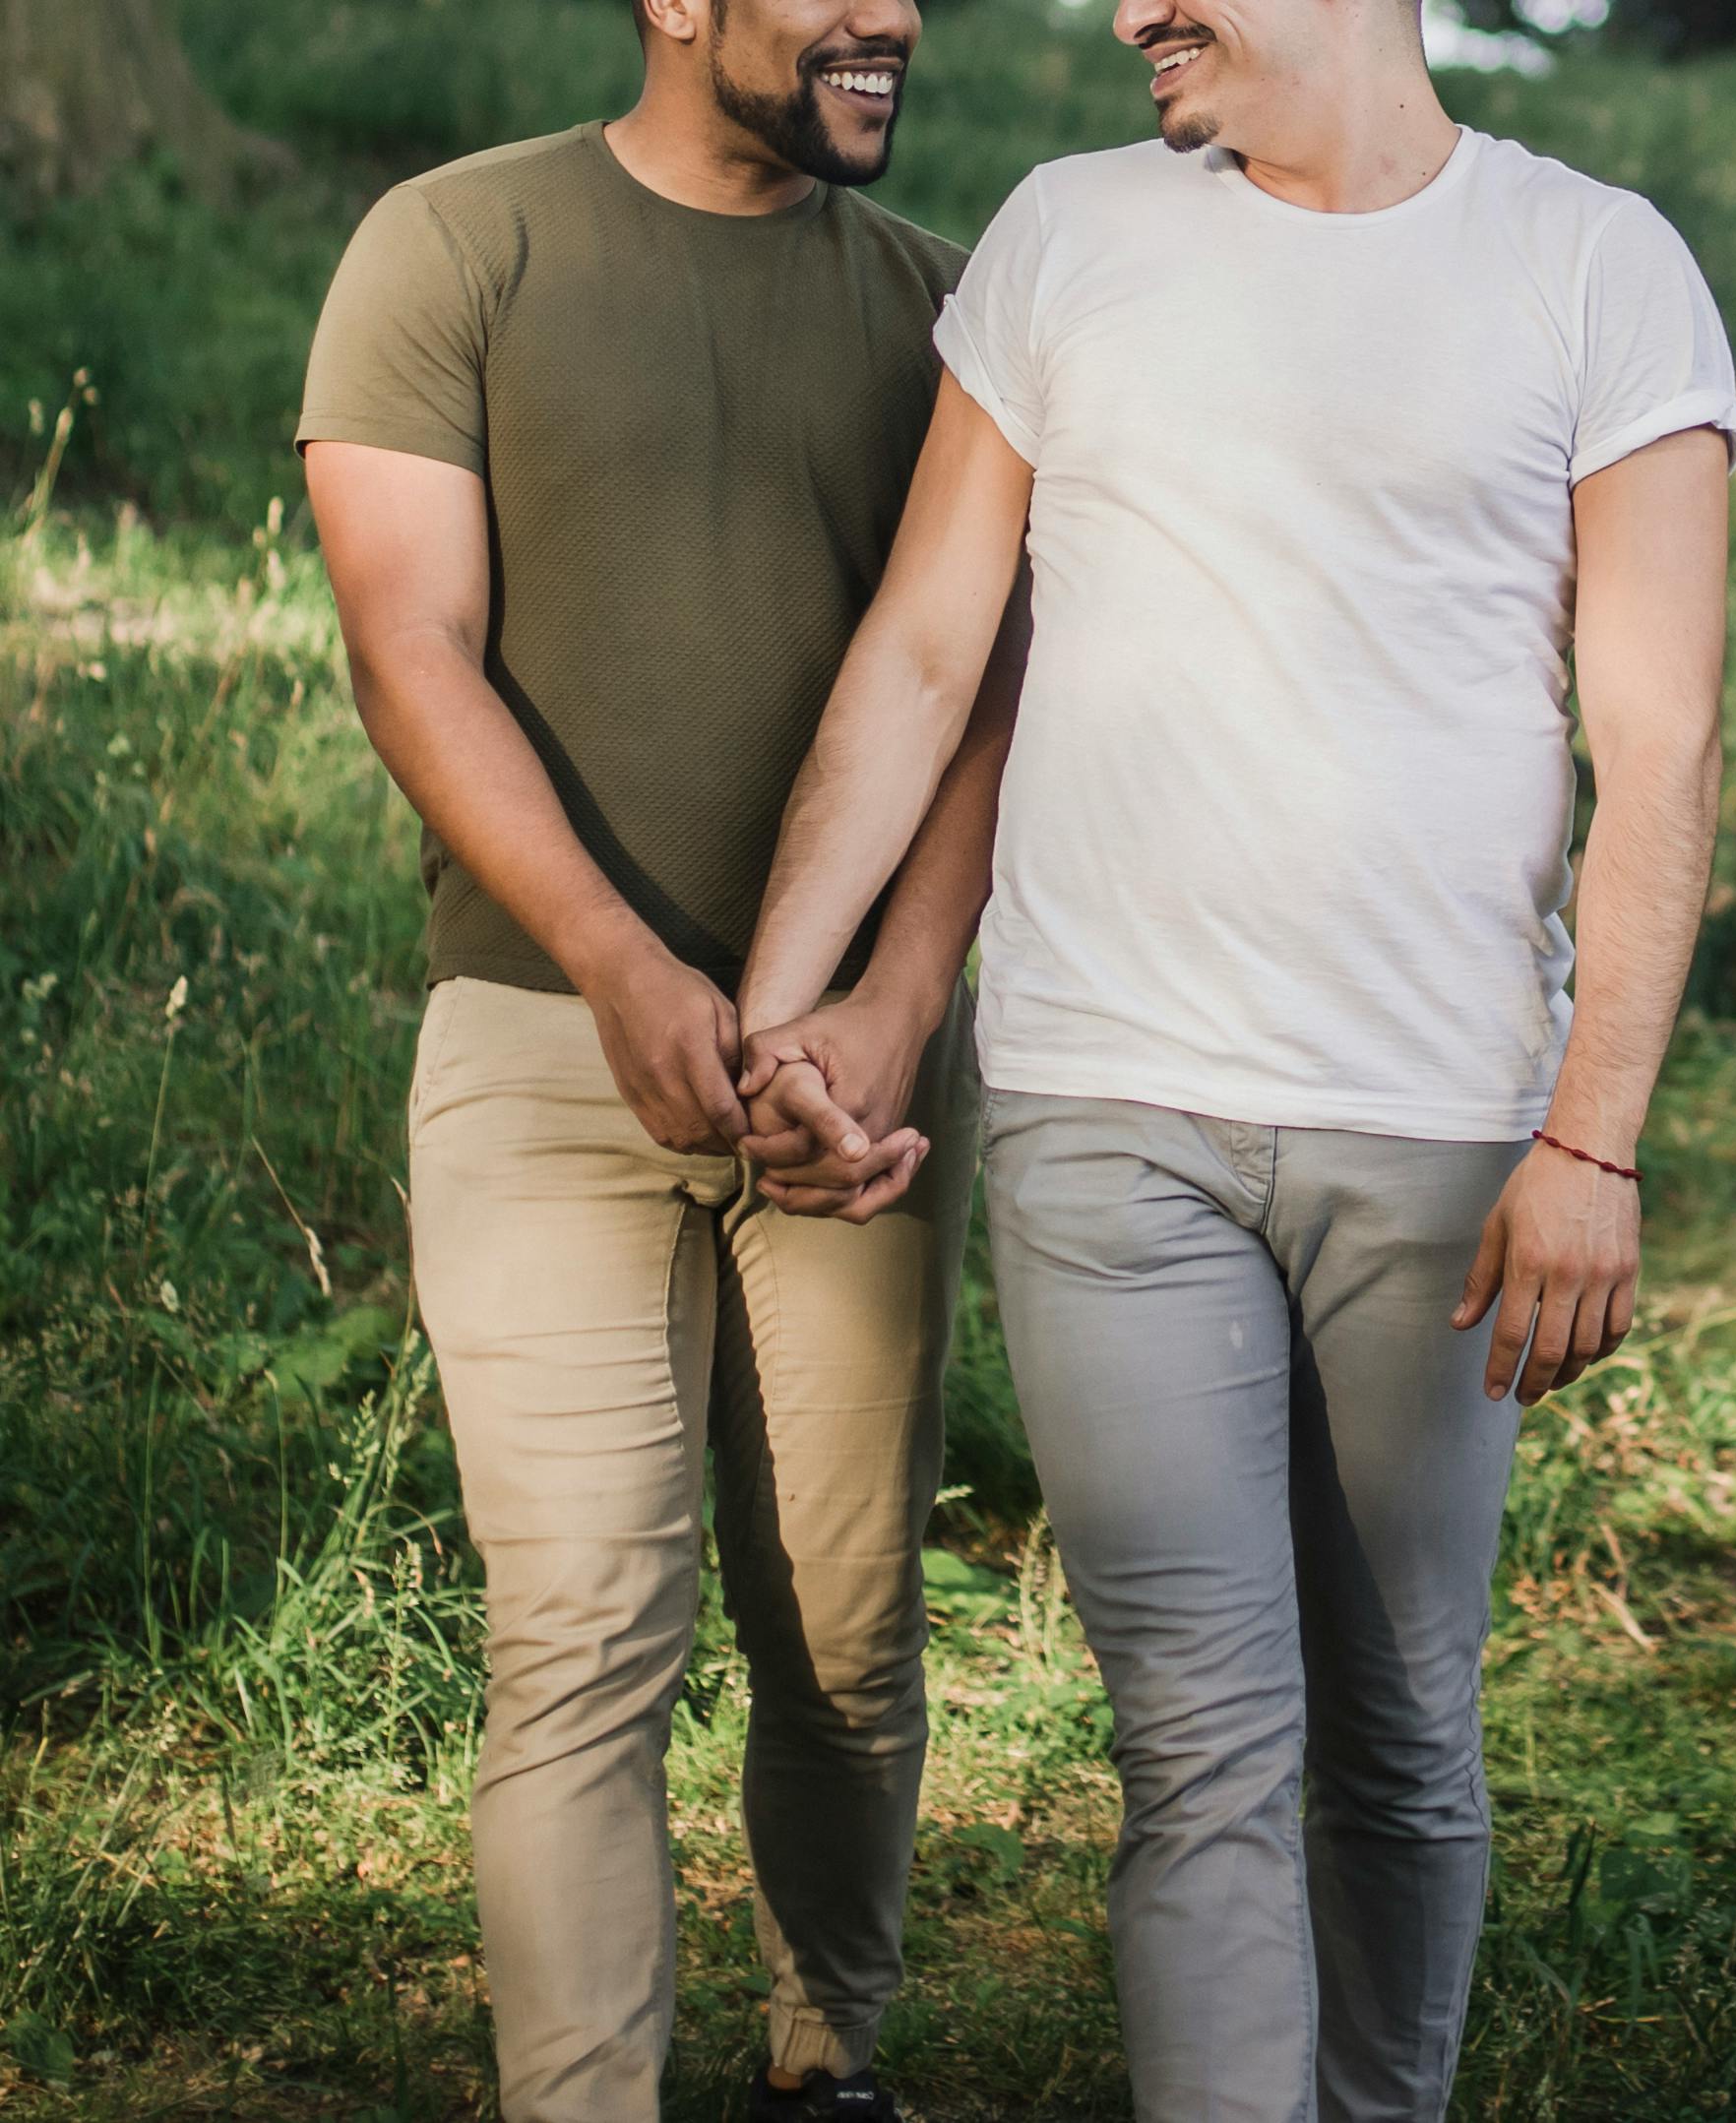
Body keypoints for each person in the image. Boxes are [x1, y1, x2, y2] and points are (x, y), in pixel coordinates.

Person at [726, 0, 1736, 2111]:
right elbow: (926, 646)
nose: (1127, 12)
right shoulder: (1065, 232)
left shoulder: (1594, 264)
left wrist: (1598, 1135)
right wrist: (781, 1006)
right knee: (1196, 1742)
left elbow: (1657, 742)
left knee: (1402, 1735)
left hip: (1444, 1134)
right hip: (1109, 1115)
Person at [296, 2, 1021, 2115]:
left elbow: (987, 683)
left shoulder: (954, 309)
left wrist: (889, 1006)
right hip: (542, 1049)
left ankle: (827, 2062)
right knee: (586, 1632)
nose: (888, 13)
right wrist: (617, 961)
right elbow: (406, 642)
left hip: (855, 1095)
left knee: (852, 1641)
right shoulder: (453, 248)